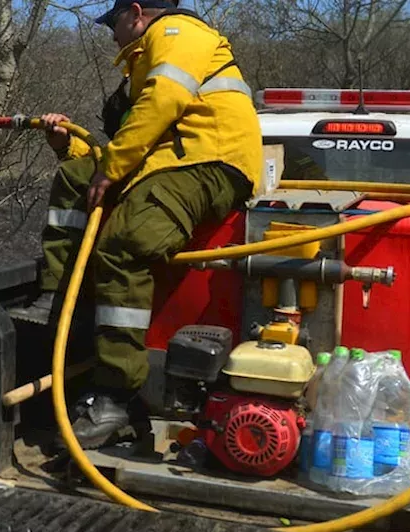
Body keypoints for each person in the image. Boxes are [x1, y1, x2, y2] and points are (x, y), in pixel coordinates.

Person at [35, 0, 264, 451]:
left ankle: (116, 398)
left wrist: (113, 167)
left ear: (136, 13)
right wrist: (70, 149)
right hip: (170, 163)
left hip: (212, 162)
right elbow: (123, 144)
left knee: (124, 243)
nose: (111, 33)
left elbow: (163, 102)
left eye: (114, 22)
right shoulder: (142, 65)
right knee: (75, 178)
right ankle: (59, 298)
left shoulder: (178, 34)